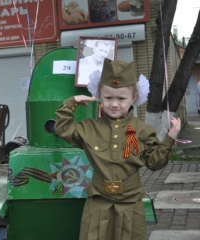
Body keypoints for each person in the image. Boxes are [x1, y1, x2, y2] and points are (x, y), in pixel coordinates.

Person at [55, 58, 181, 240]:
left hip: (130, 204)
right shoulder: (89, 128)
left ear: (134, 98)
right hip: (98, 202)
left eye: (121, 98)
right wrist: (71, 102)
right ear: (99, 96)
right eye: (108, 98)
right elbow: (62, 129)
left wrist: (170, 138)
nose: (114, 104)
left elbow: (155, 163)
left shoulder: (143, 130)